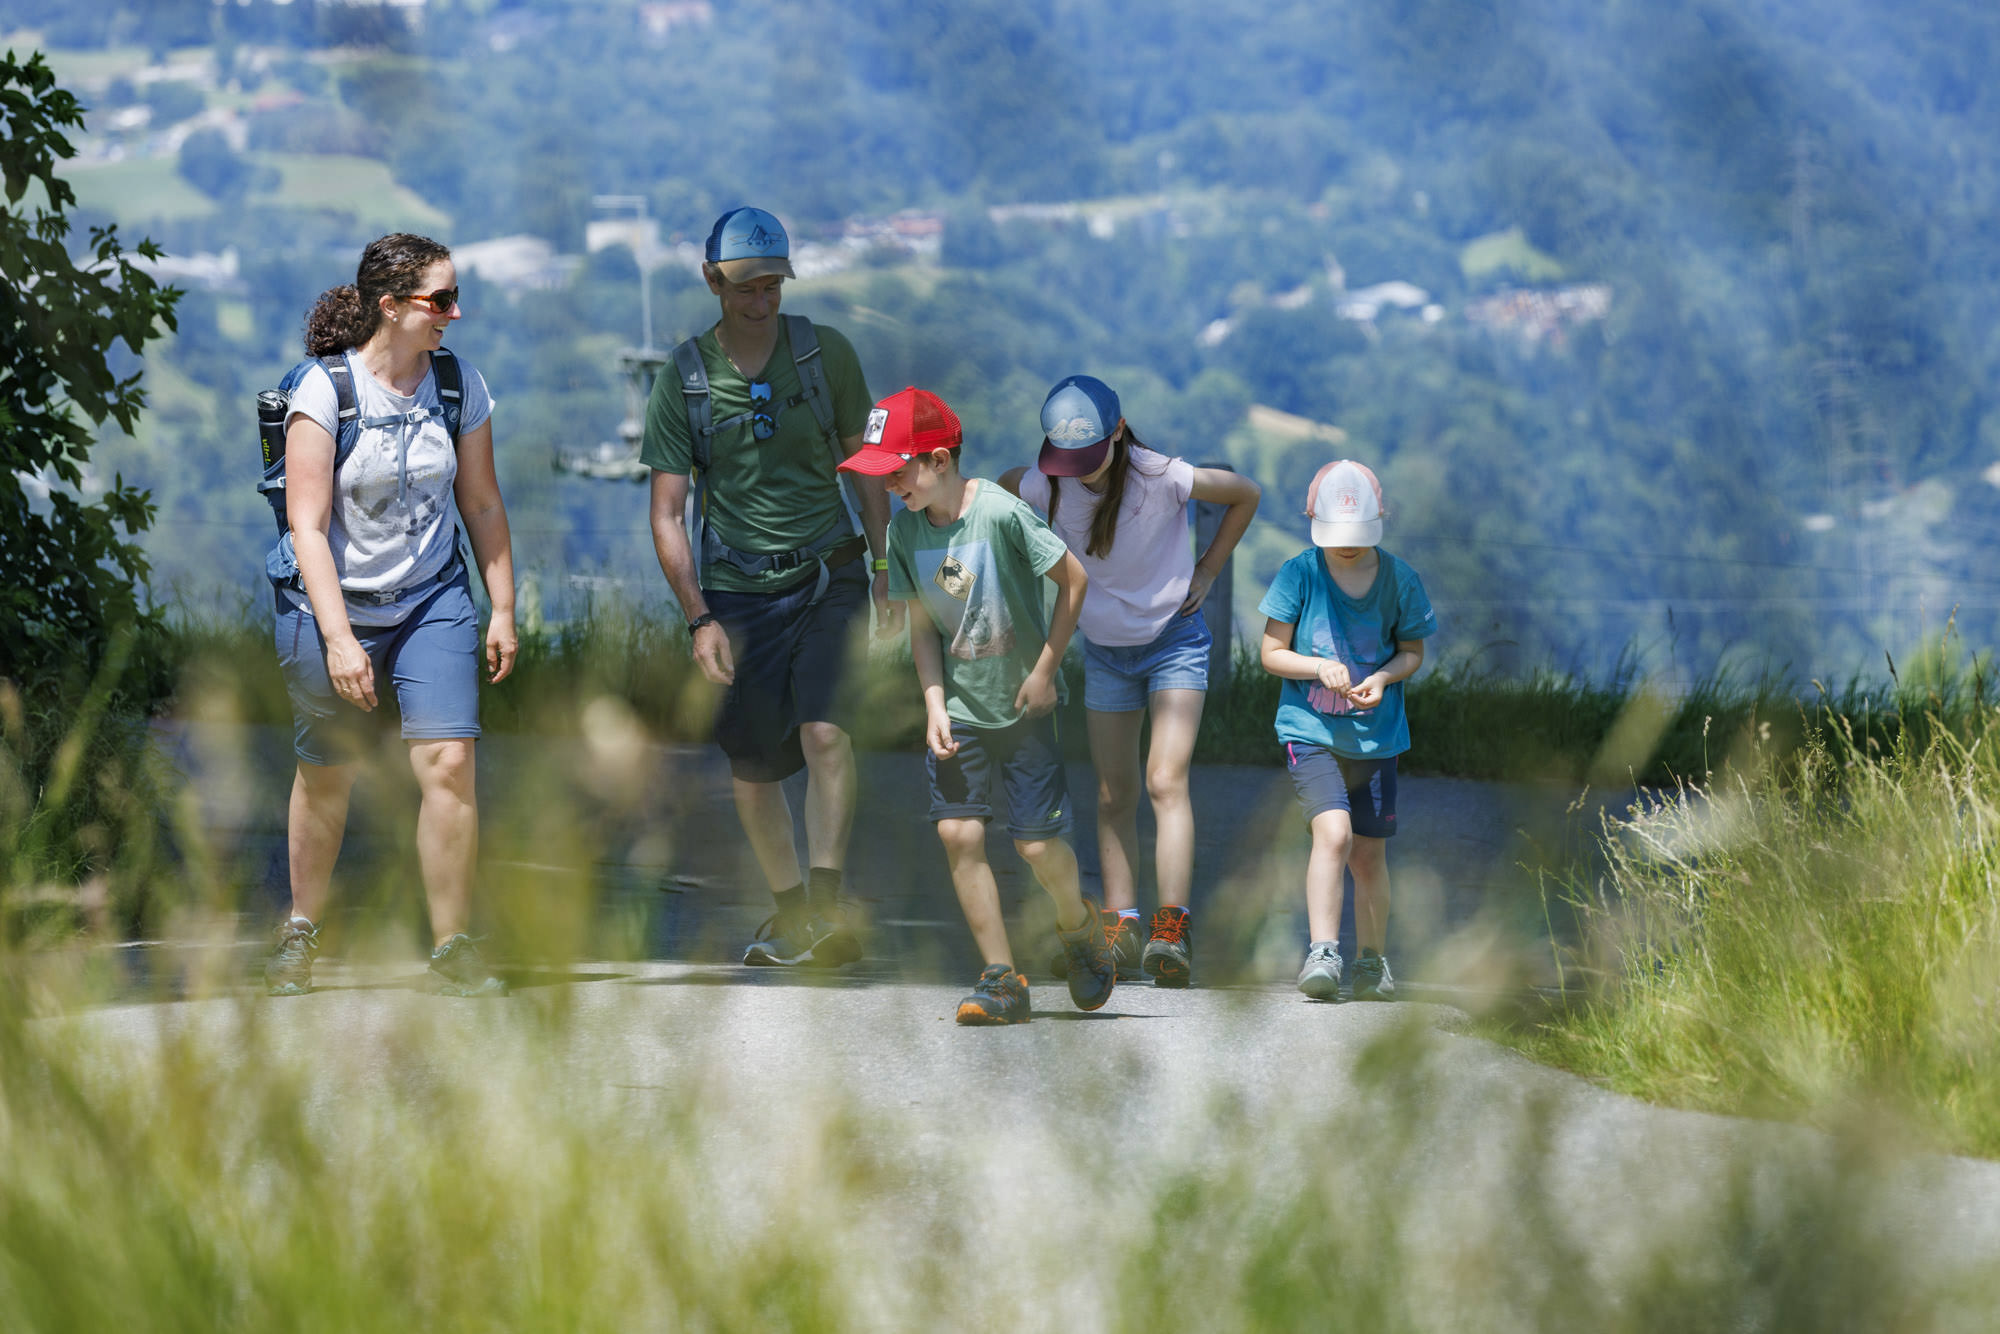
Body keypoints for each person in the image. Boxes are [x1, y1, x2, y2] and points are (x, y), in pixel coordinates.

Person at [264, 233, 516, 998]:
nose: (454, 313)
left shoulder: (458, 384)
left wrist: (502, 606)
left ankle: (452, 943)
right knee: (328, 774)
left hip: (431, 597)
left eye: (455, 297)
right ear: (390, 305)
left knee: (450, 763)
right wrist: (340, 641)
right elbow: (307, 527)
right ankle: (301, 929)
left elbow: (481, 503)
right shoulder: (325, 391)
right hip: (331, 603)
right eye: (441, 299)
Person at [642, 207, 894, 967]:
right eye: (747, 287)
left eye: (773, 285)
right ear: (714, 283)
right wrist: (698, 619)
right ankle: (791, 912)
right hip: (737, 592)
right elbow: (667, 512)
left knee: (825, 732)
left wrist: (885, 569)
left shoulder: (826, 353)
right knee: (752, 768)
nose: (762, 300)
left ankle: (829, 904)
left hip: (828, 573)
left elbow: (867, 468)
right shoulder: (684, 379)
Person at [842, 386, 1113, 1025]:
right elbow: (921, 627)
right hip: (959, 708)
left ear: (938, 460)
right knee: (958, 833)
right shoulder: (904, 531)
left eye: (896, 472)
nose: (888, 487)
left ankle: (1078, 925)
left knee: (1036, 847)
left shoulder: (1000, 513)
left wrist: (1046, 672)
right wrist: (934, 703)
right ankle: (1001, 976)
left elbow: (1074, 580)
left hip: (1025, 707)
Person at [1001, 375, 1260, 987]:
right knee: (1113, 794)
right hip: (1105, 651)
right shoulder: (1047, 482)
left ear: (1118, 431)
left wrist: (1207, 569)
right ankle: (1123, 924)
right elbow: (1001, 489)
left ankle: (1173, 928)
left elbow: (1245, 494)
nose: (1077, 472)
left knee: (1164, 780)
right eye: (1066, 458)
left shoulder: (1162, 475)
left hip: (1175, 641)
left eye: (1088, 456)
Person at [1256, 459, 1435, 1002]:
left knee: (1368, 855)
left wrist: (1382, 678)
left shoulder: (1400, 580)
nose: (1348, 546)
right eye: (1337, 536)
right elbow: (1271, 653)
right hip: (1309, 731)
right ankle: (1324, 952)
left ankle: (1372, 960)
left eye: (1358, 535)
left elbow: (1412, 652)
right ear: (1314, 522)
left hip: (1376, 737)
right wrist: (1317, 667)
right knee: (1334, 834)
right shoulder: (1299, 574)